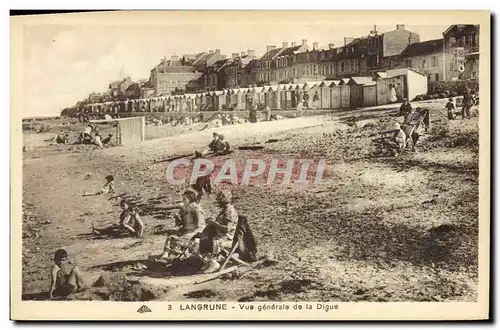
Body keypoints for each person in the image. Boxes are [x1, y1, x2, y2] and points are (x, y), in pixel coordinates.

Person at [157, 190, 206, 262]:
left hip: (196, 231)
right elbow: (180, 224)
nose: (183, 201)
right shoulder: (185, 208)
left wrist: (187, 230)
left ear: (190, 199)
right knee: (170, 237)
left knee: (178, 240)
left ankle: (171, 257)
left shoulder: (196, 208)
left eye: (184, 199)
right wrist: (177, 218)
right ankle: (164, 256)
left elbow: (199, 224)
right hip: (187, 230)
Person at [198, 189, 239, 273]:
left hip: (225, 238)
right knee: (203, 238)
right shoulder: (225, 210)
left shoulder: (230, 211)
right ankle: (209, 261)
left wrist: (214, 223)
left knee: (212, 241)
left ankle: (214, 263)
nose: (218, 203)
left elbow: (227, 229)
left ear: (223, 201)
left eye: (219, 200)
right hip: (219, 234)